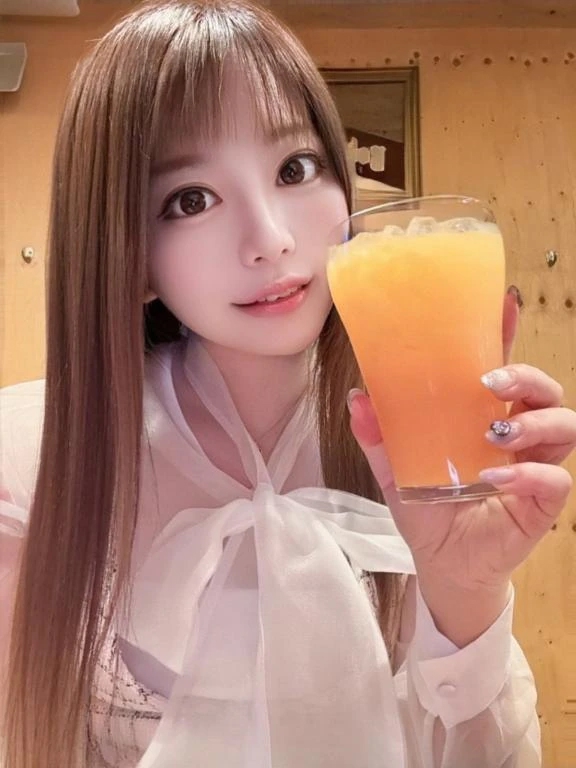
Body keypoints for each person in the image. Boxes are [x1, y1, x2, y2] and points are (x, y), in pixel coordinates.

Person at [0, 1, 574, 766]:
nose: (270, 239)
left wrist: (465, 591)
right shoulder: (29, 458)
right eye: (191, 199)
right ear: (127, 254)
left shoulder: (414, 437)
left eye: (295, 169)